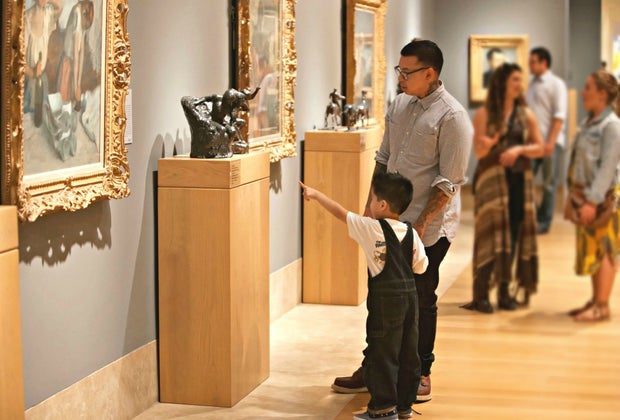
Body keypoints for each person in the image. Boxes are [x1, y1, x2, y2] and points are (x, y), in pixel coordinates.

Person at [331, 39, 473, 404]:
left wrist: (420, 225)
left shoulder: (453, 118)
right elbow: (383, 159)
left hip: (428, 228)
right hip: (388, 223)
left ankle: (420, 372)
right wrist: (370, 207)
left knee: (419, 301)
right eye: (399, 70)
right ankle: (375, 368)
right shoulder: (399, 105)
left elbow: (448, 182)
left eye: (407, 72)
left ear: (430, 73)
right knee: (381, 298)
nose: (400, 77)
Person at [300, 172, 428, 420]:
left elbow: (340, 212)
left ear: (382, 205)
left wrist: (315, 194)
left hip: (385, 304)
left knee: (382, 353)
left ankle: (383, 409)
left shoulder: (370, 228)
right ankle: (404, 407)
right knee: (407, 353)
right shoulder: (411, 233)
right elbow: (421, 267)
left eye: (372, 199)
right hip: (410, 302)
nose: (369, 204)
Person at [462, 63, 544, 314]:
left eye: (521, 80)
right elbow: (479, 152)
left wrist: (518, 150)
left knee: (513, 234)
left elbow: (540, 148)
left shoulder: (525, 115)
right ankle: (481, 294)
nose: (520, 85)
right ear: (502, 83)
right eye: (515, 80)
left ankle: (505, 292)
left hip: (517, 181)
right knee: (489, 234)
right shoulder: (484, 114)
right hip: (490, 183)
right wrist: (490, 143)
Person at [564, 70, 620, 322]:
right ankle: (596, 299)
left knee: (606, 249)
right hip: (587, 194)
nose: (583, 92)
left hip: (604, 198)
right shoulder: (590, 123)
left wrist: (593, 201)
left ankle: (602, 305)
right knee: (594, 249)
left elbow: (608, 166)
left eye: (588, 88)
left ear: (602, 94)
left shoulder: (612, 126)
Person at [526, 47, 568, 234]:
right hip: (533, 144)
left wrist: (550, 142)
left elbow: (559, 116)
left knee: (549, 185)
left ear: (544, 63)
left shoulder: (556, 84)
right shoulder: (532, 85)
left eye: (533, 61)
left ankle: (544, 222)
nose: (530, 65)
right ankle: (534, 217)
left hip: (551, 143)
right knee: (526, 180)